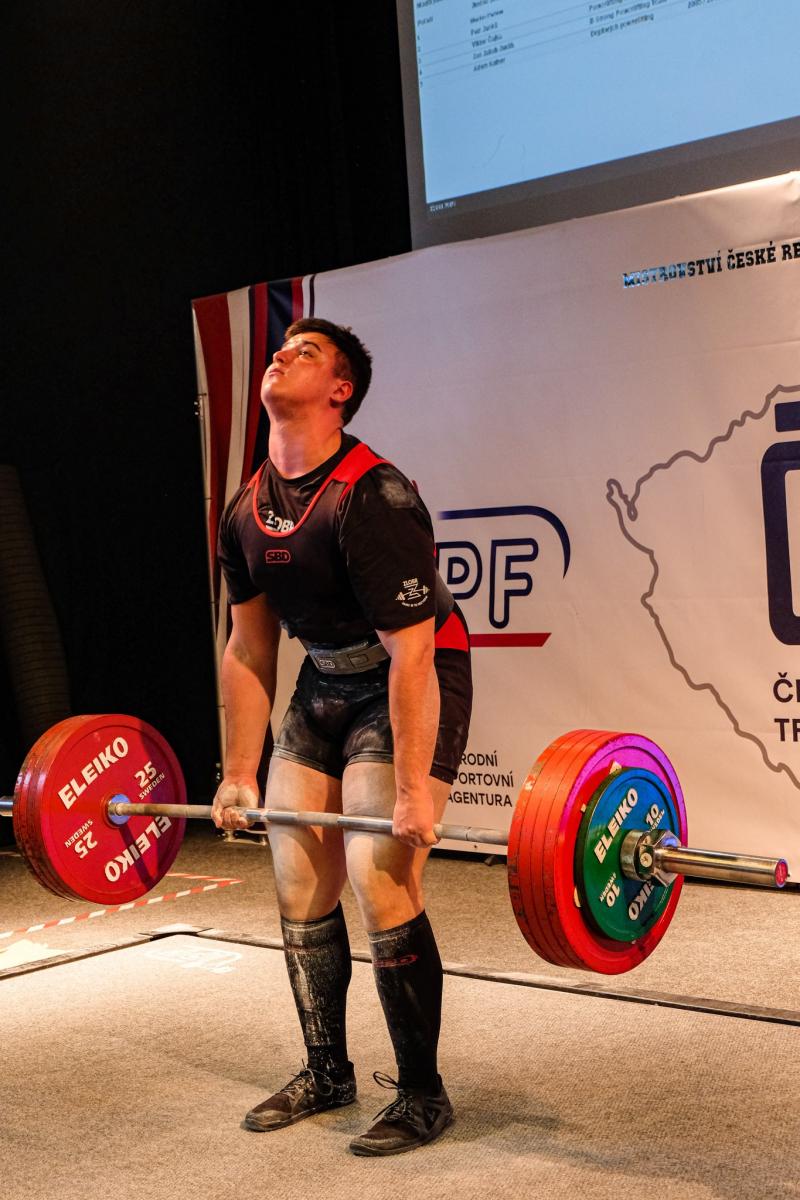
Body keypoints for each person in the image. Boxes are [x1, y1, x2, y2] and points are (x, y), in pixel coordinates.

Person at [212, 316, 472, 1156]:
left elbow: (414, 652)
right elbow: (248, 647)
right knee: (296, 876)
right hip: (325, 682)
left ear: (340, 391)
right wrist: (239, 772)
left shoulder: (372, 495)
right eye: (280, 348)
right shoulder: (245, 510)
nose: (281, 356)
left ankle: (423, 1094)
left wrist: (411, 793)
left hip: (410, 675)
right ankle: (327, 1072)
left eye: (307, 352)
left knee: (378, 872)